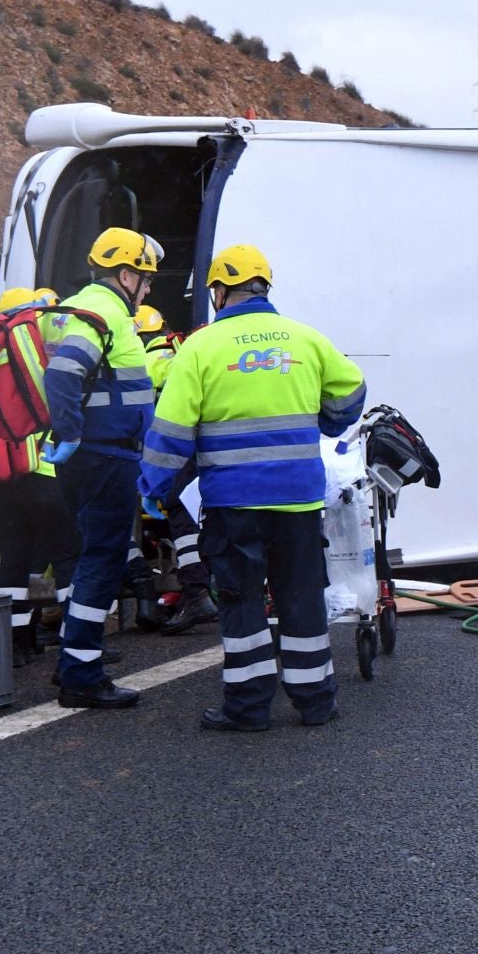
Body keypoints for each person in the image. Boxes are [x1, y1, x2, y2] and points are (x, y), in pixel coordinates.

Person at [139, 243, 365, 733]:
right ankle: (315, 703)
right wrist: (328, 422)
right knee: (301, 598)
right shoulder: (305, 339)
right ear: (264, 288)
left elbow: (171, 430)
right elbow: (351, 392)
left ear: (220, 291)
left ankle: (248, 708)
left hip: (234, 501)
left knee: (242, 602)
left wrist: (153, 486)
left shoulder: (201, 347)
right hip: (300, 498)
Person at [42, 226, 157, 708]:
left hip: (102, 454)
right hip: (106, 454)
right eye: (145, 280)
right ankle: (81, 675)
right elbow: (64, 372)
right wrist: (70, 433)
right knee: (102, 560)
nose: (148, 289)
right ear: (125, 274)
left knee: (95, 556)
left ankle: (75, 659)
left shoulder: (84, 307)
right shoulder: (102, 312)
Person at [0, 288, 83, 668]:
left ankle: (17, 644)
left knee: (14, 562)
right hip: (43, 471)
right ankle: (77, 642)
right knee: (68, 554)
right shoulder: (39, 353)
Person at [135, 304, 218, 634]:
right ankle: (203, 591)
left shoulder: (147, 359)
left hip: (175, 449)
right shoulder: (181, 348)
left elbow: (146, 416)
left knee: (180, 517)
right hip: (206, 447)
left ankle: (197, 594)